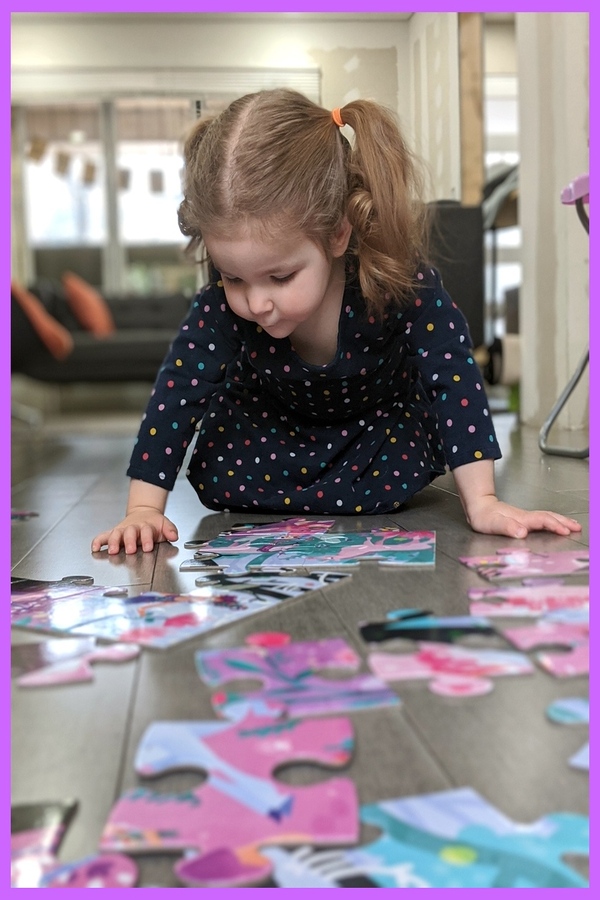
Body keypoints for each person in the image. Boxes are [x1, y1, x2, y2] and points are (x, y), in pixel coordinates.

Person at [91, 89, 581, 556]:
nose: (256, 302)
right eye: (233, 276)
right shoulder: (222, 305)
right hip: (268, 436)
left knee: (406, 448)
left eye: (280, 276)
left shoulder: (396, 283)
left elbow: (452, 375)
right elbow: (179, 390)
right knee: (219, 465)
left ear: (338, 233)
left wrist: (484, 502)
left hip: (375, 438)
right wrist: (143, 509)